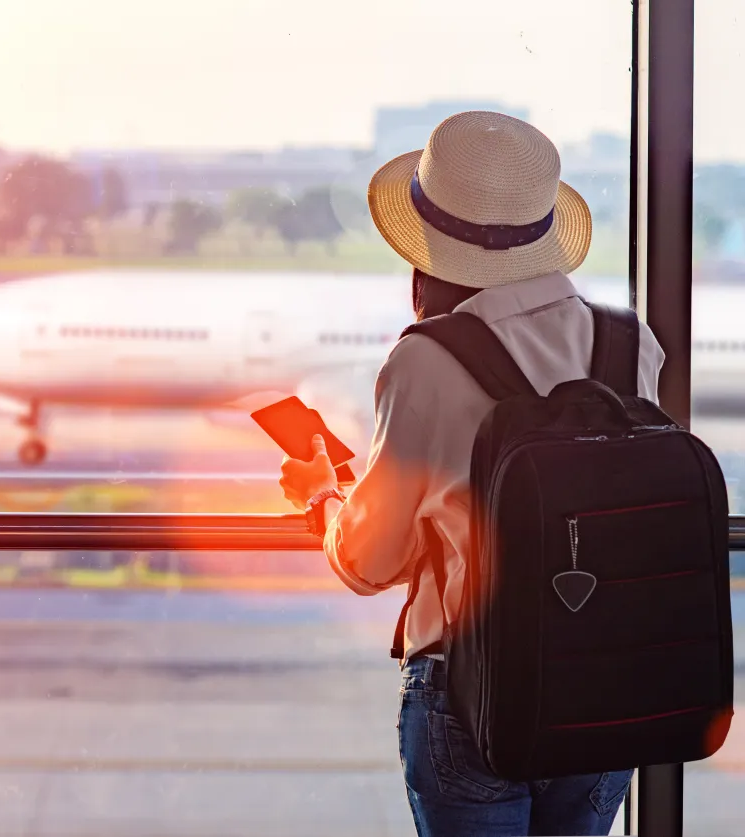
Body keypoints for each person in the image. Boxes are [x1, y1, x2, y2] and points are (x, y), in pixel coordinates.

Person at [279, 111, 665, 837]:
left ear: (426, 243)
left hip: (470, 685)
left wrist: (325, 496)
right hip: (608, 679)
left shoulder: (426, 358)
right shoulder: (629, 343)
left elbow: (370, 562)